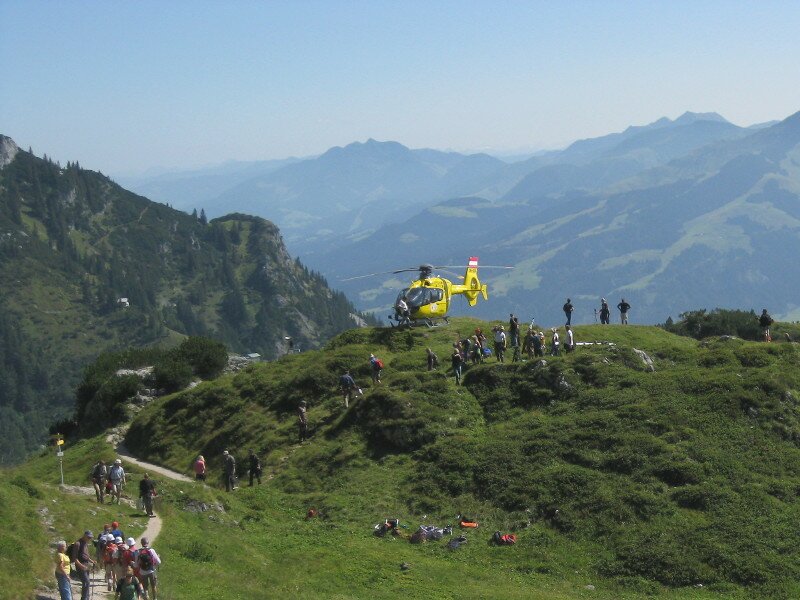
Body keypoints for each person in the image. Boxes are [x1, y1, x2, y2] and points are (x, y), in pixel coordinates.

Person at [72, 530, 96, 600]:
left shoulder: (85, 543)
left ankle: (86, 598)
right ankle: (84, 598)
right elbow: (75, 558)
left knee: (87, 582)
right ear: (84, 535)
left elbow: (86, 556)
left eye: (90, 537)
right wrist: (81, 566)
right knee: (86, 582)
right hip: (80, 565)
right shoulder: (77, 544)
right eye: (88, 537)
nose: (89, 539)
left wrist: (92, 561)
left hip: (86, 565)